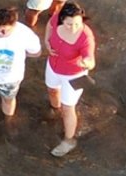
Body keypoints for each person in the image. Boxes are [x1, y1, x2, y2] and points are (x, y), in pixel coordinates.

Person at [45, 2, 95, 157]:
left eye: (77, 24)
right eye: (69, 24)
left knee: (68, 108)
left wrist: (86, 63)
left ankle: (69, 140)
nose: (73, 28)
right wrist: (47, 41)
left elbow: (91, 59)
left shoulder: (85, 37)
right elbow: (50, 25)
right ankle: (55, 110)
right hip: (53, 66)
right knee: (52, 91)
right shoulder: (56, 18)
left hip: (74, 75)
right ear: (62, 20)